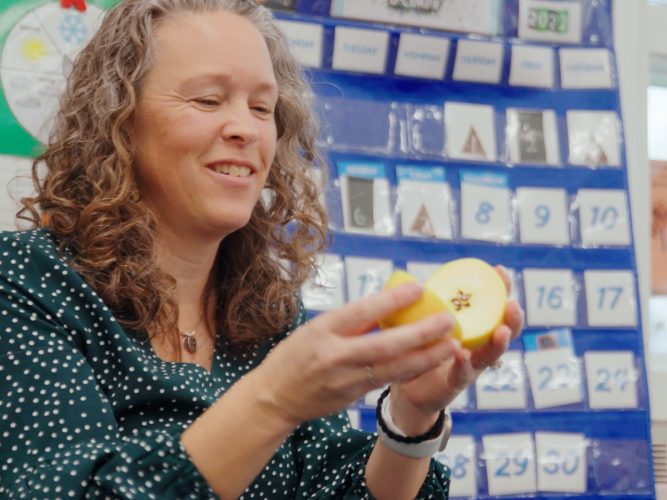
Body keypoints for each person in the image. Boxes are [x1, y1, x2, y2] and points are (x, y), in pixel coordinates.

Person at [0, 0, 524, 498]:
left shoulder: (264, 309)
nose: (245, 129)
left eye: (262, 107)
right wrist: (273, 399)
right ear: (120, 120)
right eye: (207, 100)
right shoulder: (26, 282)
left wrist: (410, 414)